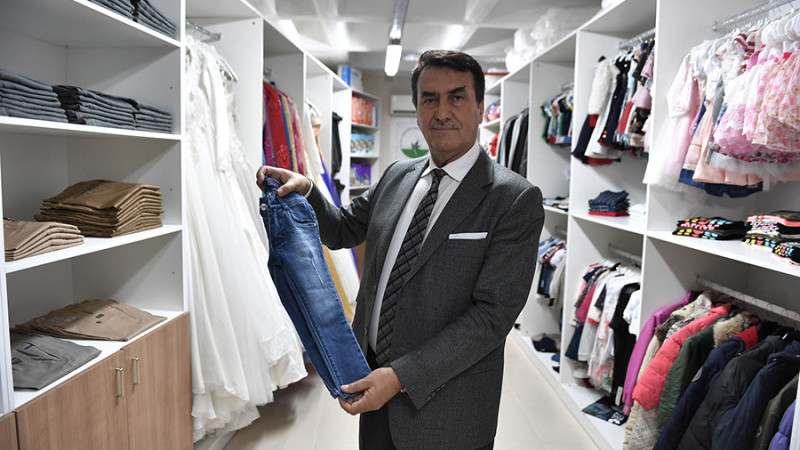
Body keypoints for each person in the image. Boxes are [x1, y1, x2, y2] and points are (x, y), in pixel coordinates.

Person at [257, 49, 544, 450]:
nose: (442, 112)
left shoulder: (513, 199)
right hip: (372, 383)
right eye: (430, 99)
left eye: (457, 97)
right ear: (417, 109)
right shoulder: (397, 176)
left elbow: (491, 318)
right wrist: (307, 191)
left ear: (480, 107)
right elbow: (343, 229)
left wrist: (399, 377)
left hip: (449, 409)